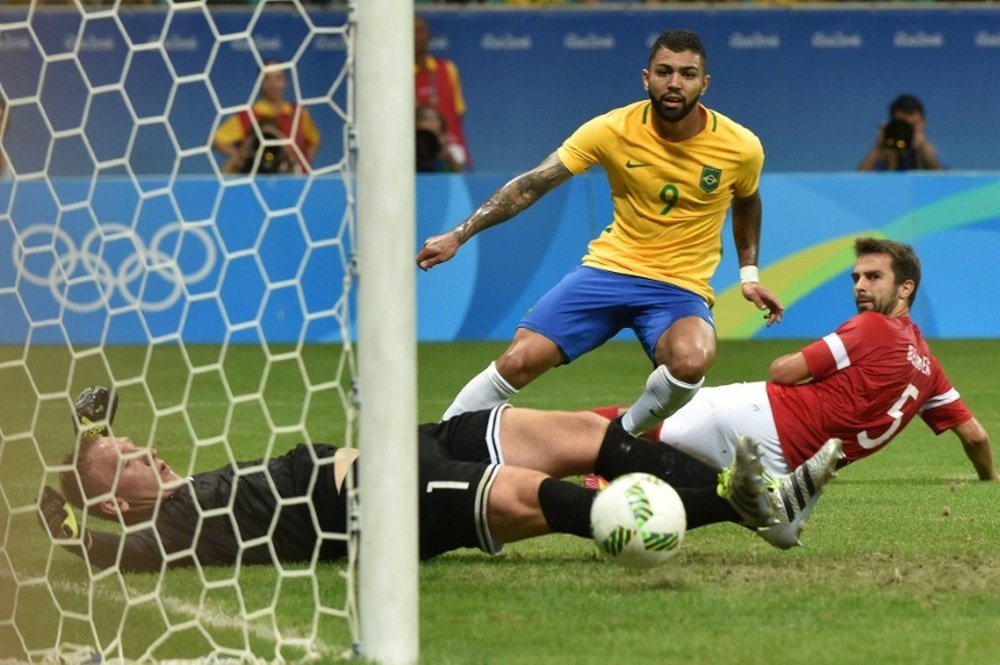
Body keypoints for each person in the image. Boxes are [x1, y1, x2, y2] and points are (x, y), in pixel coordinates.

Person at [416, 29, 783, 437]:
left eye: (687, 74)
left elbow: (747, 201)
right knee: (518, 360)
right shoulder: (611, 129)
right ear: (646, 78)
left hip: (679, 286)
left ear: (704, 83)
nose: (675, 83)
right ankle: (434, 444)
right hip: (608, 272)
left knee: (691, 361)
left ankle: (618, 441)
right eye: (664, 72)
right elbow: (533, 183)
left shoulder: (741, 146)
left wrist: (749, 275)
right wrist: (459, 234)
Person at [38, 387, 843, 572]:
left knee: (573, 432)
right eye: (131, 461)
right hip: (376, 507)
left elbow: (99, 449)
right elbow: (99, 551)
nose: (151, 453)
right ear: (116, 504)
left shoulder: (170, 491)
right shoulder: (168, 530)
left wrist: (87, 428)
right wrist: (61, 517)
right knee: (532, 497)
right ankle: (741, 509)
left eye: (140, 443)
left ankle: (751, 508)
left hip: (396, 448)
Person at [591, 237, 997, 548]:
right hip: (797, 474)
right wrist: (990, 479)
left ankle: (571, 462)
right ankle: (608, 487)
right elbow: (975, 437)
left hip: (754, 417)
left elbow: (782, 372)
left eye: (873, 277)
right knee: (719, 491)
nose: (859, 285)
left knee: (623, 425)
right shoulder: (931, 369)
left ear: (905, 288)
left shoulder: (871, 327)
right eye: (855, 277)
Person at [213, 61, 320, 174]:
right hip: (256, 177)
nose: (273, 84)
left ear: (286, 82)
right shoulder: (247, 115)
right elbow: (216, 140)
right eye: (267, 78)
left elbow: (315, 140)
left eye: (278, 78)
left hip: (293, 179)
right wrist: (238, 156)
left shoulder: (298, 113)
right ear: (260, 82)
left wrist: (302, 162)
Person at [414, 16, 471, 169]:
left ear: (429, 36)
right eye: (410, 32)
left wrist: (450, 148)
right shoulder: (395, 75)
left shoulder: (447, 69)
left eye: (419, 31)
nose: (415, 36)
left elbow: (457, 113)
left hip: (447, 149)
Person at [857, 94, 945, 172]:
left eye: (912, 125)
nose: (906, 131)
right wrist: (878, 147)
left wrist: (924, 148)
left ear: (923, 123)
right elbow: (859, 179)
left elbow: (945, 180)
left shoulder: (933, 152)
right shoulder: (885, 154)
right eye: (901, 126)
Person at [416, 105, 466, 172]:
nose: (426, 141)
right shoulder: (402, 161)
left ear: (442, 137)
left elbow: (459, 179)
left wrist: (449, 159)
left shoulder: (447, 165)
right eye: (422, 134)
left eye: (432, 134)